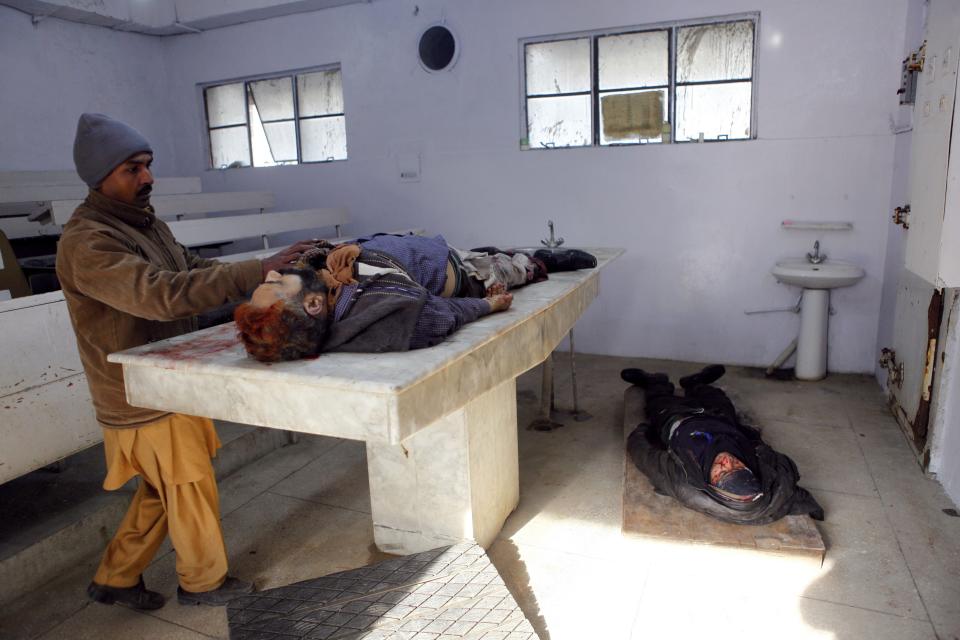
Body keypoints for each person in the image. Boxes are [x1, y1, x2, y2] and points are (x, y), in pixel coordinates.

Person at [56, 113, 315, 610]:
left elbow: (191, 270)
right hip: (140, 390)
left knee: (163, 488)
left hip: (169, 375)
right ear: (99, 176)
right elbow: (159, 295)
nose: (148, 178)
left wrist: (262, 270)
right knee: (190, 484)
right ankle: (204, 584)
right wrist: (256, 269)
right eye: (133, 169)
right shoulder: (88, 241)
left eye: (148, 166)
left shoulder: (144, 224)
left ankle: (116, 576)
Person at [234, 234, 597, 361]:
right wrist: (488, 304)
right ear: (313, 306)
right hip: (469, 274)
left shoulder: (320, 282)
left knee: (484, 251)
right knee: (511, 268)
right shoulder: (383, 312)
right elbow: (441, 315)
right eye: (277, 284)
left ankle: (499, 251)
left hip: (436, 250)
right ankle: (538, 259)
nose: (271, 273)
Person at [621, 364, 824, 524]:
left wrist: (640, 432)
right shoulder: (765, 477)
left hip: (679, 421)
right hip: (722, 422)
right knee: (719, 400)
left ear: (712, 485)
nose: (726, 461)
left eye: (721, 471)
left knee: (660, 402)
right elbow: (787, 487)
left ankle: (656, 382)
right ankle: (695, 383)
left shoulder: (686, 485)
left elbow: (645, 457)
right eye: (737, 466)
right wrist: (812, 506)